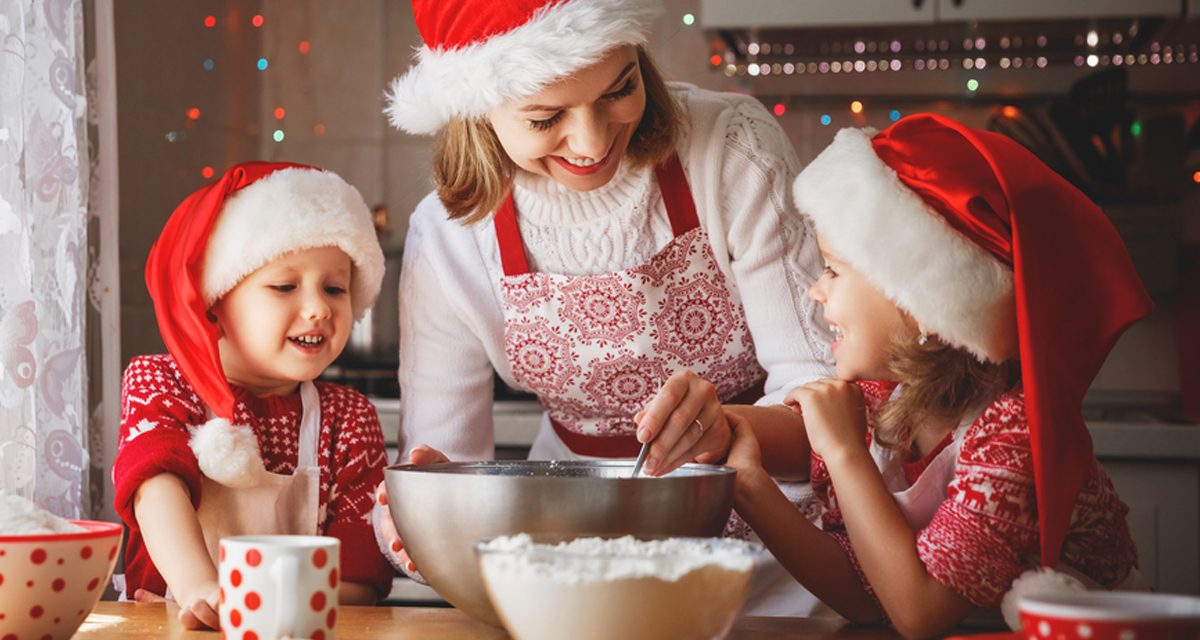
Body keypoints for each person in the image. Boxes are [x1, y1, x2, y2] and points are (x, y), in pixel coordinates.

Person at [376, 0, 833, 615]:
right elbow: (444, 460)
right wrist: (419, 508)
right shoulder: (451, 235)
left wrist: (730, 429)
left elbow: (827, 398)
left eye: (620, 89)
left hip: (778, 550)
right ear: (477, 111)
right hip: (571, 566)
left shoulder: (729, 150)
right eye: (545, 118)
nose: (592, 141)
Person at [716, 114, 1153, 636]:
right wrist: (749, 485)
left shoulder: (1016, 436)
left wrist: (845, 454)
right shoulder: (885, 399)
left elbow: (918, 615)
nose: (817, 290)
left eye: (833, 269)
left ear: (923, 304)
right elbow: (866, 595)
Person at [112, 162, 393, 629]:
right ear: (213, 300)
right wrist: (200, 587)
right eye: (285, 286)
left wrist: (252, 603)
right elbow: (154, 488)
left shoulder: (348, 416)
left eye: (336, 288)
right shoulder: (160, 381)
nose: (319, 307)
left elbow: (361, 576)